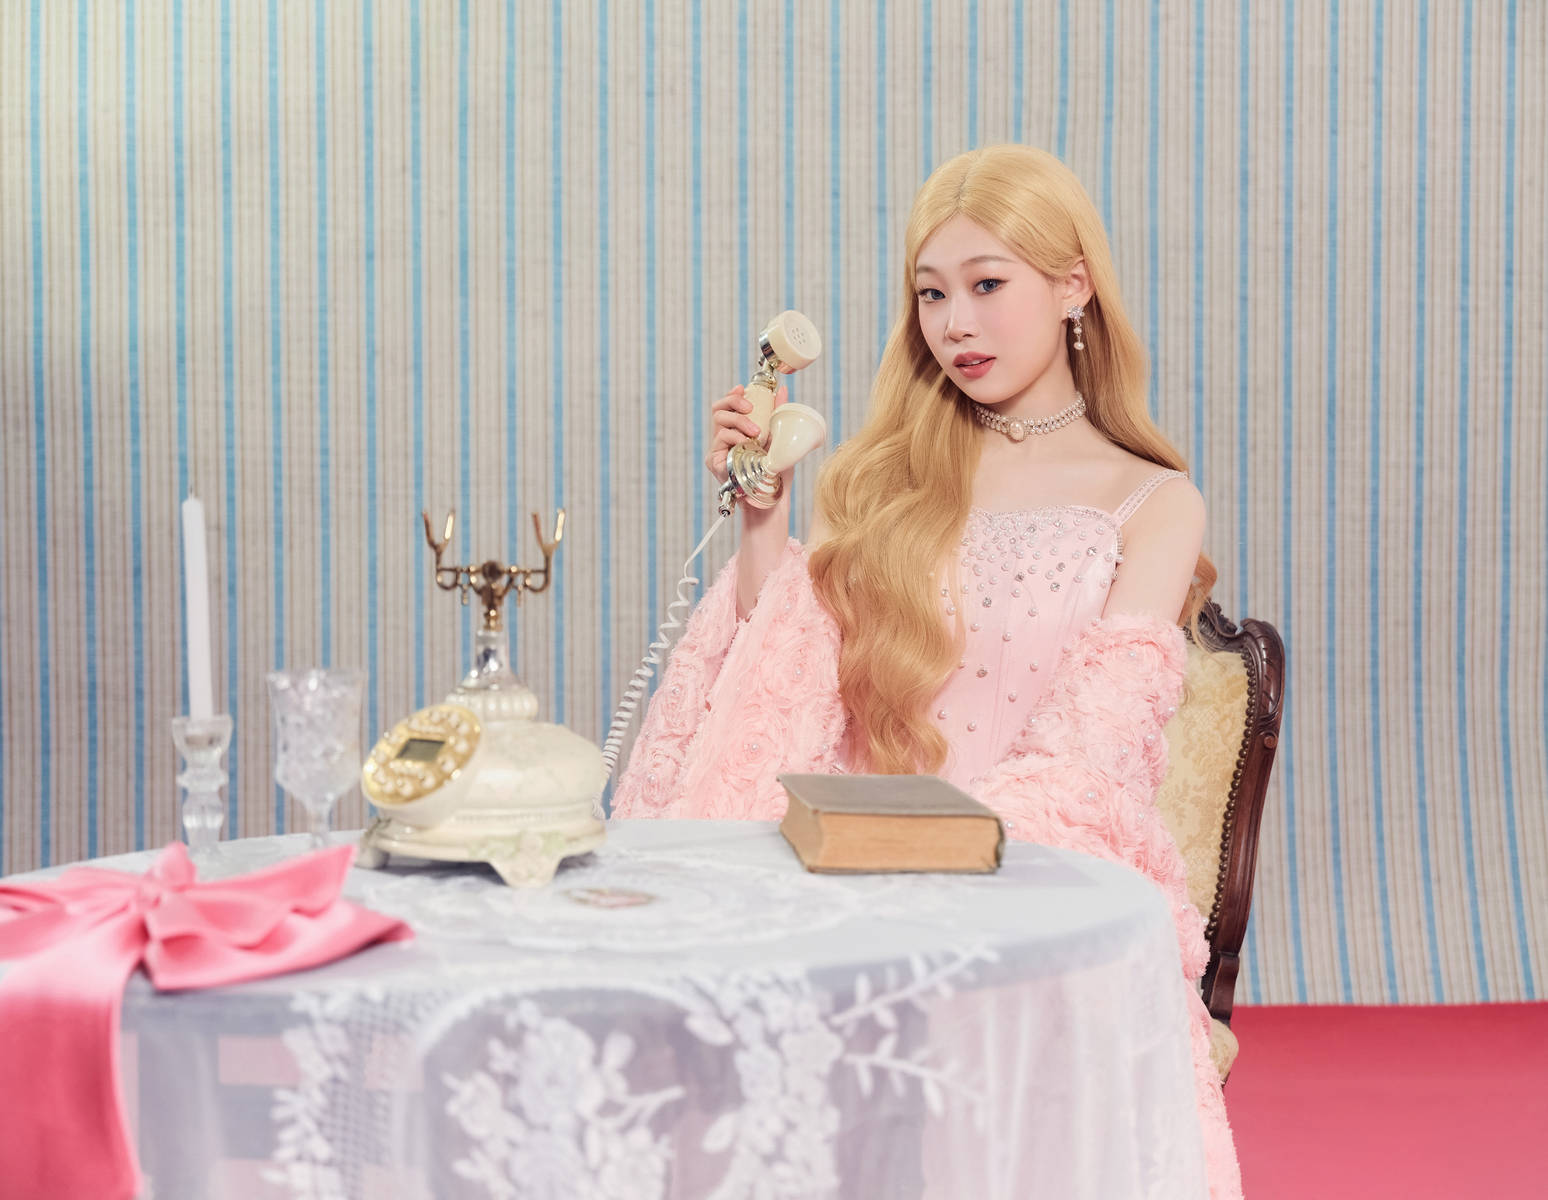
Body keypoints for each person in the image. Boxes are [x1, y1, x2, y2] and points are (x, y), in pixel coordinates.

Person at [613, 144, 1241, 1198]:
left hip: (1031, 888)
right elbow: (787, 683)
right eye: (932, 294)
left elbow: (1095, 750)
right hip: (850, 883)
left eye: (987, 286)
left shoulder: (1154, 502)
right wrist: (764, 519)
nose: (956, 324)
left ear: (1073, 286)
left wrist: (935, 876)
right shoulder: (884, 480)